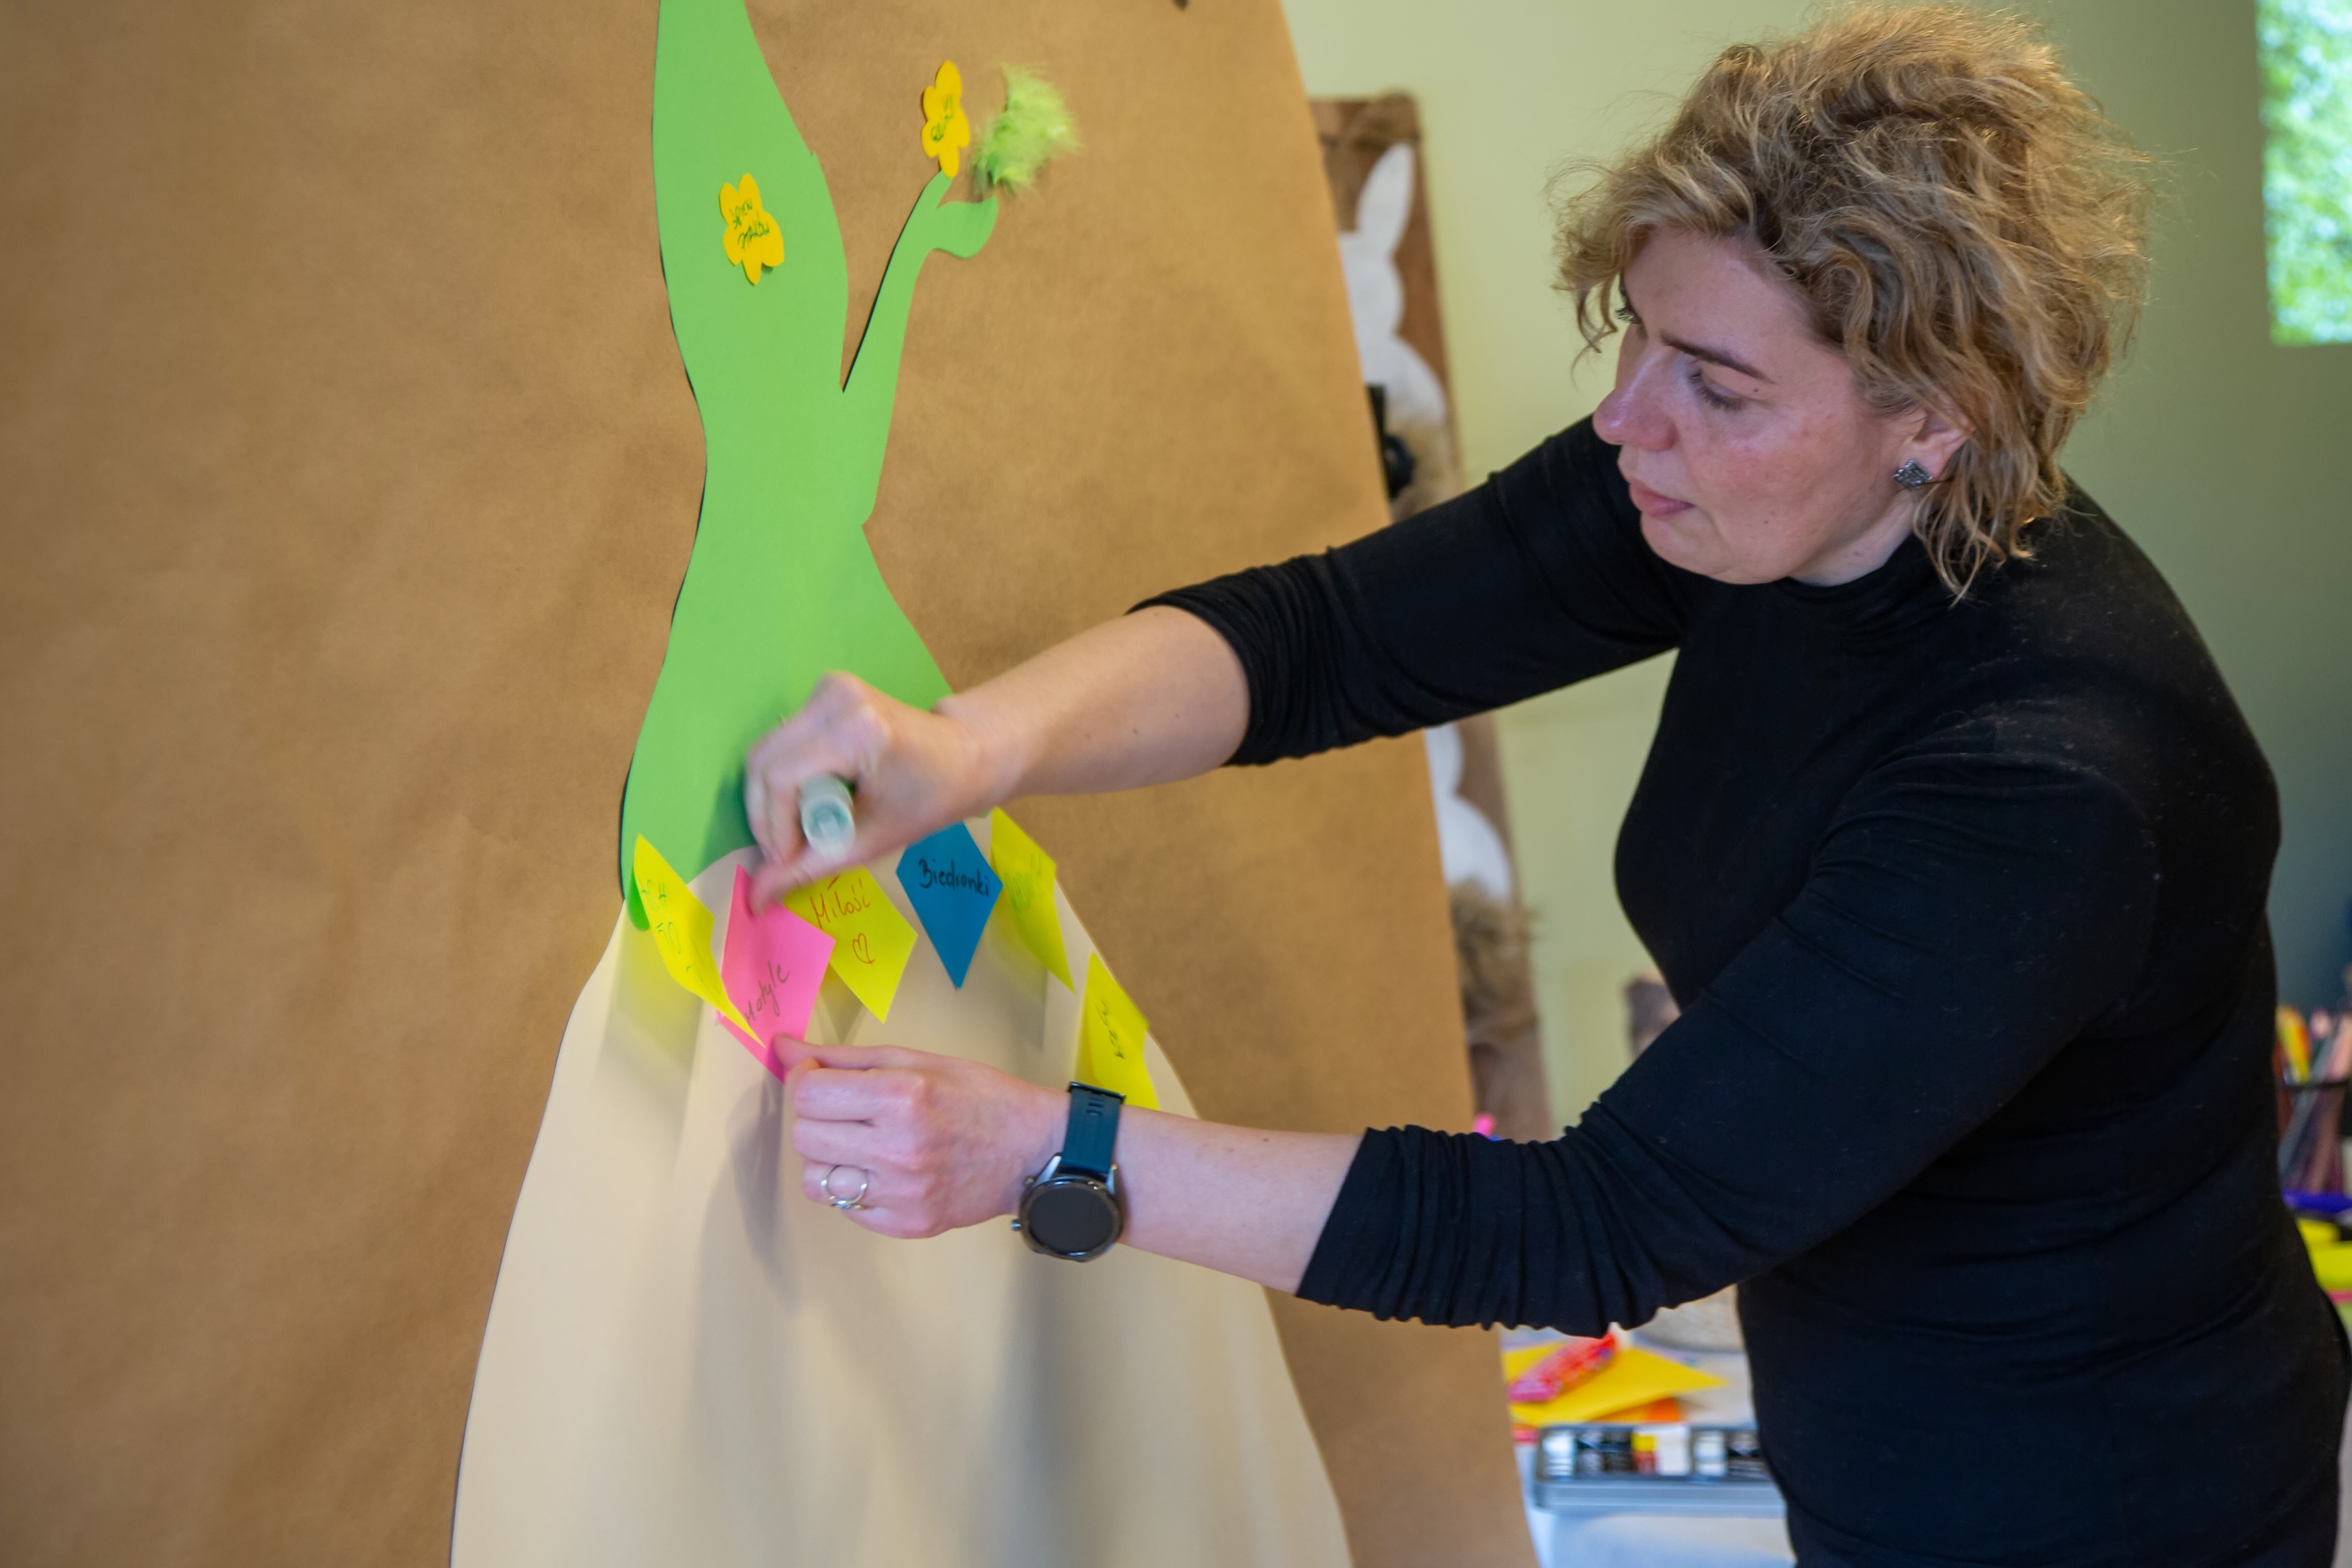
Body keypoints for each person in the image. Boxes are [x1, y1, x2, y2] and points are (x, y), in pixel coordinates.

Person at [740, 8, 2348, 1563]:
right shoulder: (1739, 497)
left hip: (2101, 1496)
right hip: (1864, 1411)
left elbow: (1593, 1224)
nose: (1628, 418)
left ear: (1938, 416)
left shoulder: (2050, 780)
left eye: (1716, 384)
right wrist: (969, 747)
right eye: (1637, 330)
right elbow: (1331, 639)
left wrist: (1060, 1150)